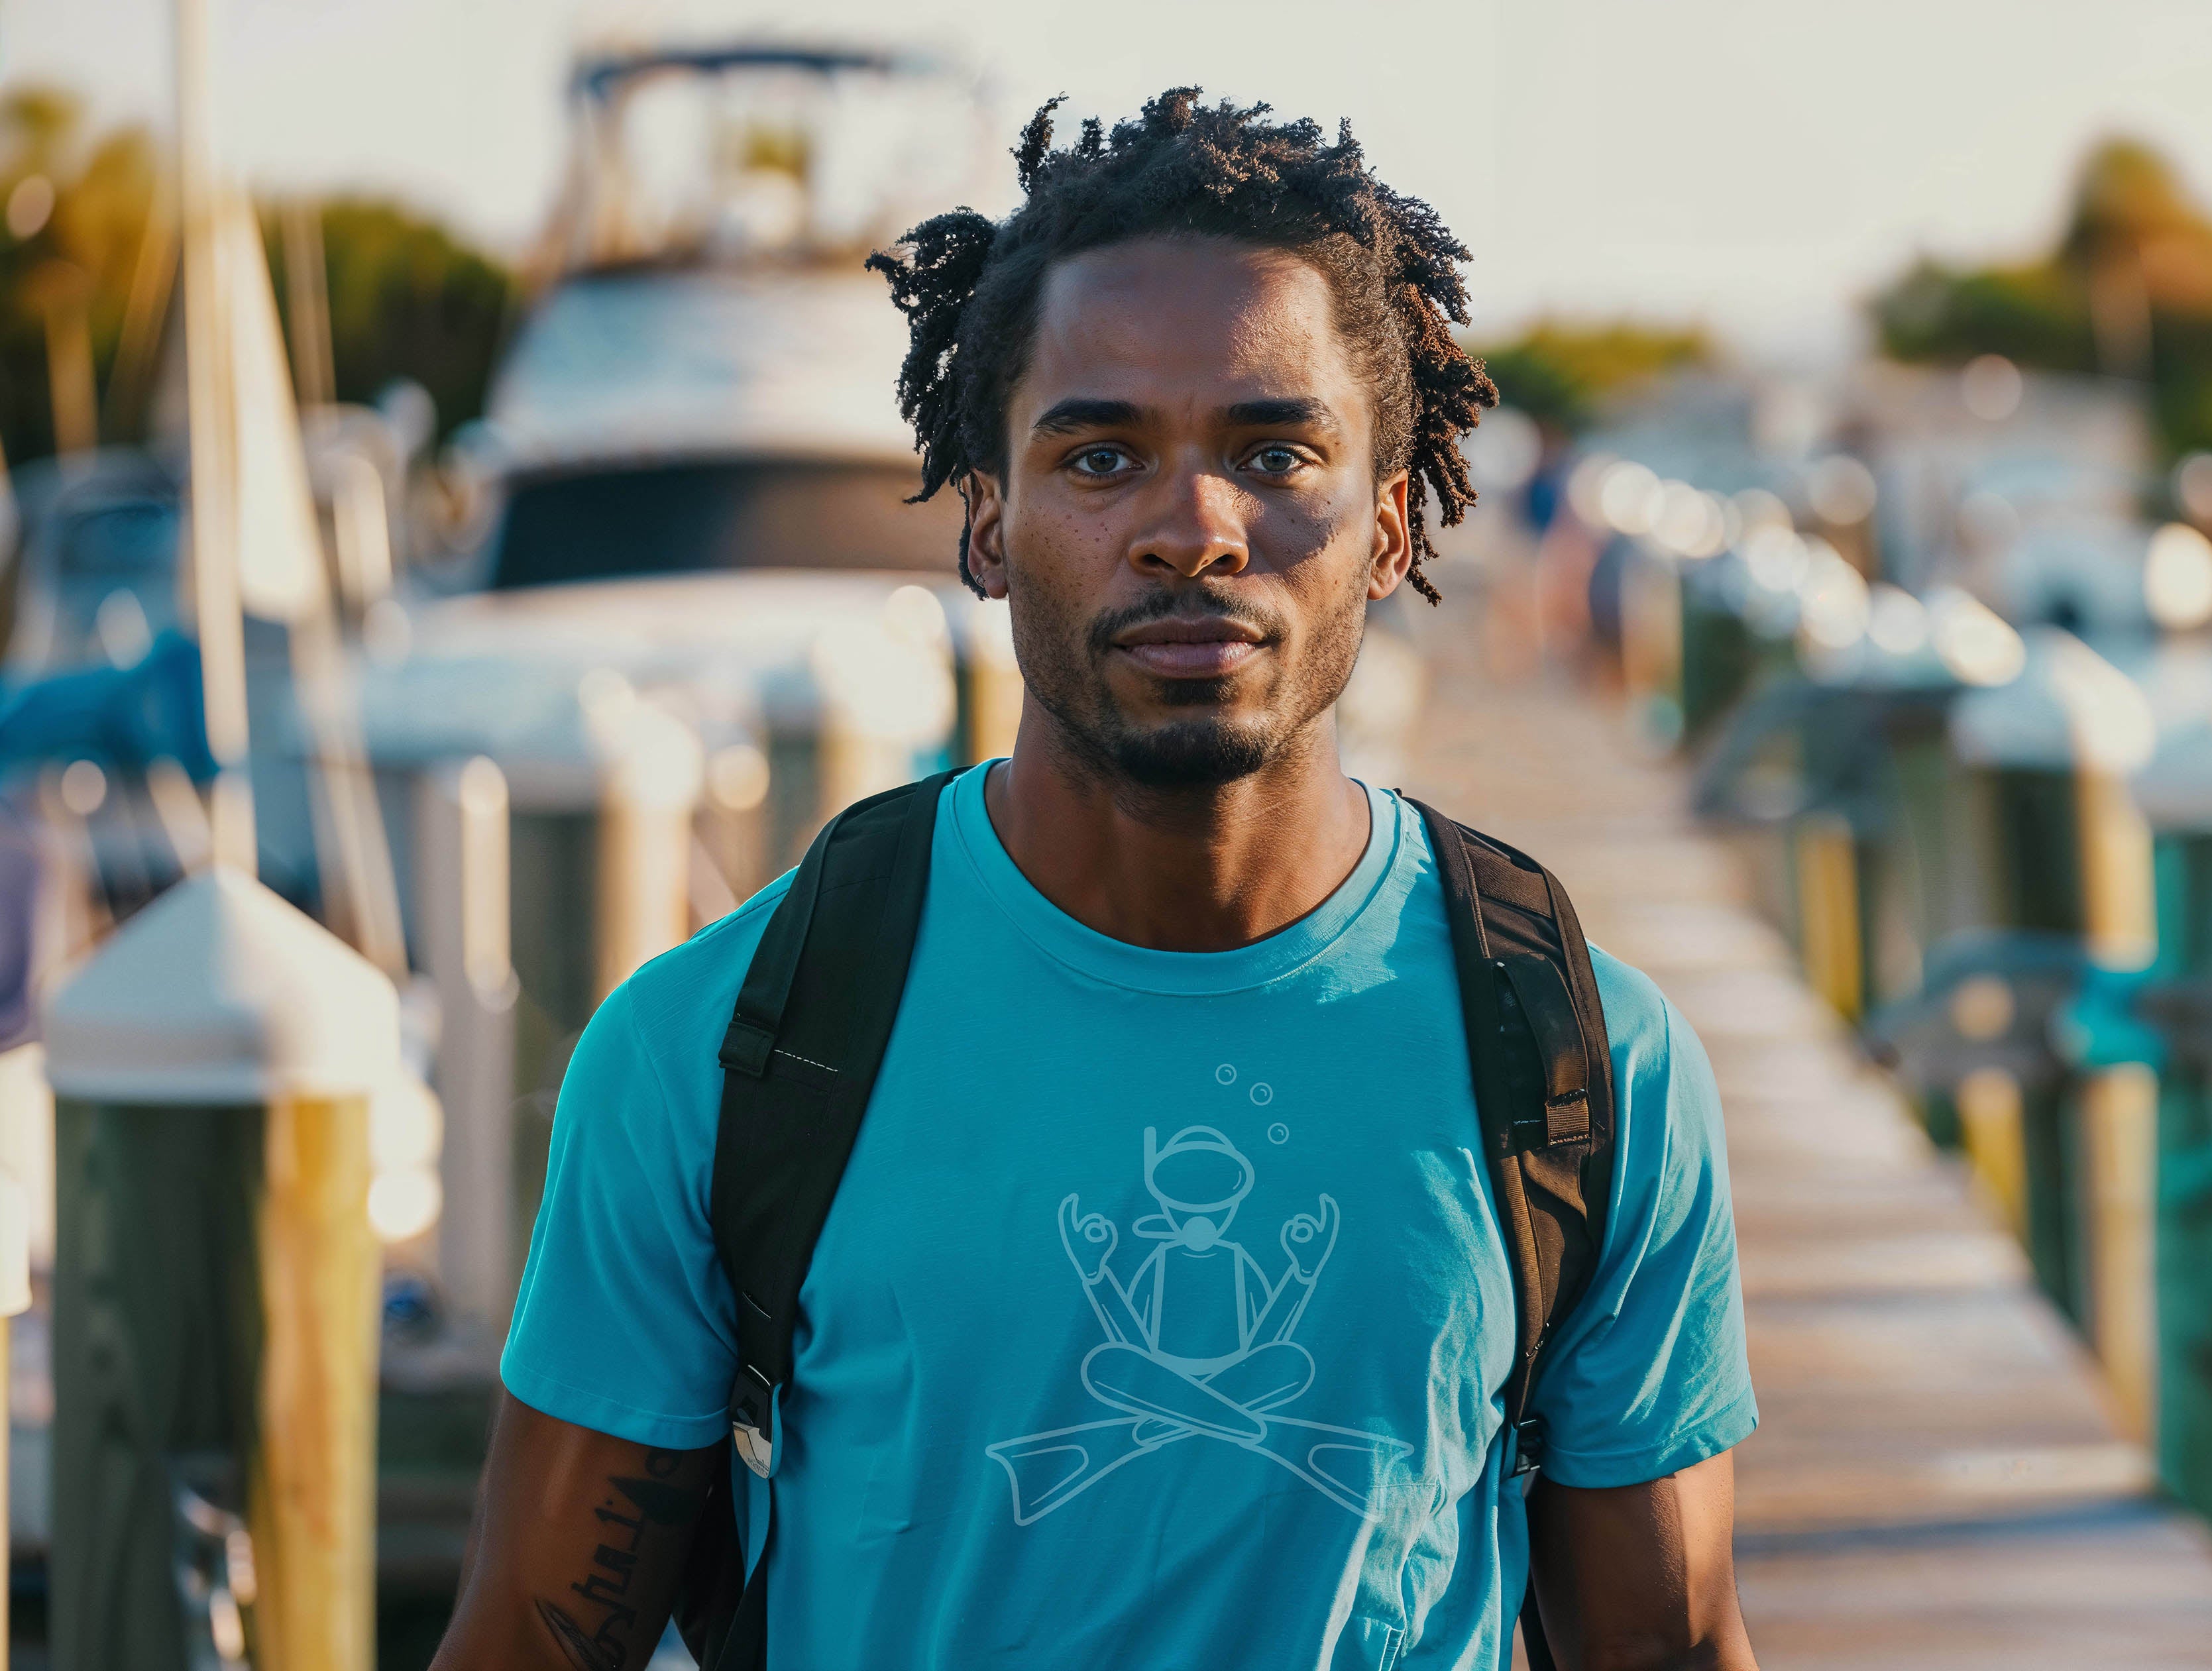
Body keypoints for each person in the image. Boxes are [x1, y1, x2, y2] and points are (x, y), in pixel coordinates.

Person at [431, 91, 1759, 1670]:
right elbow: (533, 1639)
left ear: (1392, 524)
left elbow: (1666, 1646)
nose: (1191, 528)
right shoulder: (720, 1055)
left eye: (1276, 450)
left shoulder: (1575, 1064)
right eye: (1102, 454)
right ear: (987, 525)